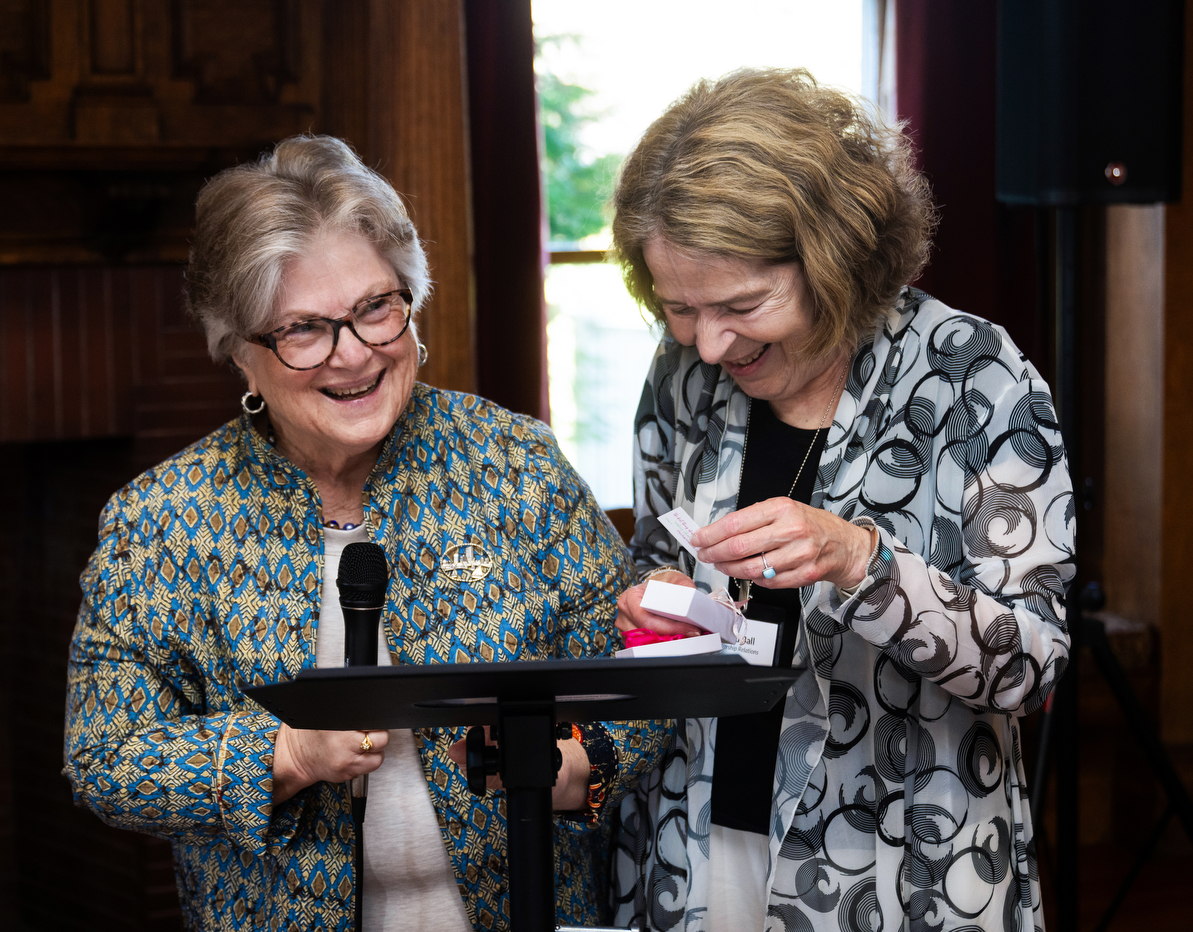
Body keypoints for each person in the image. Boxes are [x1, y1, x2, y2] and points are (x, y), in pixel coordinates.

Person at [63, 135, 665, 931]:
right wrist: (286, 755)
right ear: (241, 352)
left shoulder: (515, 462)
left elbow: (628, 682)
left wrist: (569, 768)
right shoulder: (164, 519)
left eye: (377, 308)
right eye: (305, 328)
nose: (355, 355)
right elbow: (105, 759)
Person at [609, 70, 1075, 932]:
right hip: (694, 845)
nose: (711, 344)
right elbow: (654, 556)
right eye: (680, 308)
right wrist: (650, 609)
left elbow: (1029, 665)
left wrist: (863, 562)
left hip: (904, 868)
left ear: (834, 258)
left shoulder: (972, 377)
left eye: (743, 304)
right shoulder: (681, 379)